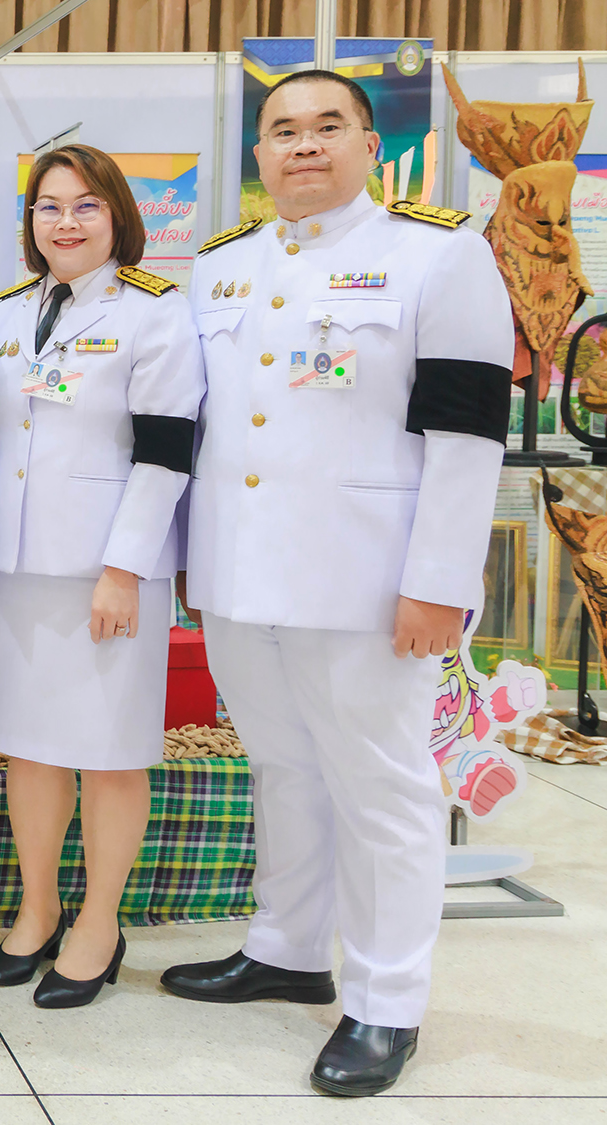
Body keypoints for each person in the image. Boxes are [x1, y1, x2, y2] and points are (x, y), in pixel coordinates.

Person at [161, 71, 510, 1095]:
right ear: (258, 155)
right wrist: (189, 559)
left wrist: (438, 579)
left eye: (327, 126)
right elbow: (204, 427)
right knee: (283, 766)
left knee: (383, 786)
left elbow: (465, 432)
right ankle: (284, 947)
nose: (303, 145)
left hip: (367, 580)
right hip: (237, 574)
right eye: (282, 130)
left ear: (369, 146)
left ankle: (386, 1000)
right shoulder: (222, 266)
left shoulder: (438, 256)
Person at [0, 143, 204, 1009]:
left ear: (118, 216)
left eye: (85, 205)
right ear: (29, 221)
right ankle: (38, 906)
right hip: (16, 567)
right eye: (48, 206)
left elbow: (166, 451)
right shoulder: (2, 314)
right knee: (27, 746)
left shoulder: (154, 313)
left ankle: (99, 920)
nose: (65, 222)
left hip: (107, 573)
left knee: (108, 751)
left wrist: (124, 567)